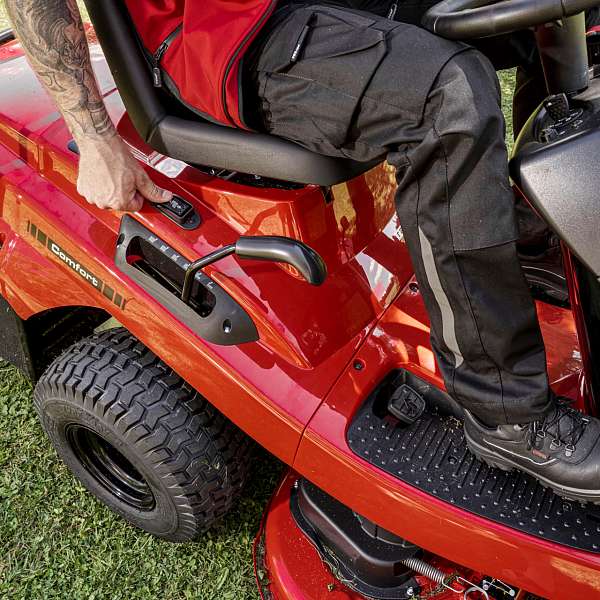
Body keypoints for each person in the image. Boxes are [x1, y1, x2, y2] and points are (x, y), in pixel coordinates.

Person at [7, 0, 600, 502]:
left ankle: (526, 227)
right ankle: (503, 412)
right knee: (450, 98)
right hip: (231, 31)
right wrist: (93, 139)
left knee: (561, 15)